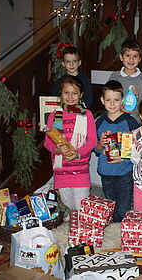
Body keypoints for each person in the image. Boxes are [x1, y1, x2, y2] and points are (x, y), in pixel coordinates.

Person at [44, 75, 97, 210]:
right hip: (61, 171)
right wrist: (57, 150)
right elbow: (47, 143)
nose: (70, 96)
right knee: (68, 206)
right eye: (66, 92)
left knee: (81, 206)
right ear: (61, 94)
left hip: (80, 170)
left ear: (81, 95)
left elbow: (92, 141)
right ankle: (72, 228)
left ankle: (81, 229)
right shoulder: (53, 116)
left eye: (74, 93)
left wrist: (77, 153)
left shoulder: (87, 115)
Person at [94, 80, 140, 222]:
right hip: (106, 173)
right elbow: (95, 148)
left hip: (124, 173)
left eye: (116, 100)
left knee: (124, 208)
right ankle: (113, 235)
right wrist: (100, 145)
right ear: (102, 100)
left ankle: (124, 234)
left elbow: (137, 147)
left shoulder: (130, 122)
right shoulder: (99, 122)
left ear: (122, 101)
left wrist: (125, 157)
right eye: (108, 100)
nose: (112, 104)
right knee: (110, 206)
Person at [108, 39, 142, 122]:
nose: (131, 60)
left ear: (139, 59)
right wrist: (118, 106)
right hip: (116, 120)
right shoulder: (115, 76)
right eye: (127, 56)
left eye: (135, 56)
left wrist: (140, 97)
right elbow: (108, 96)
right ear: (121, 57)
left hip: (137, 122)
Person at [52, 45, 93, 109]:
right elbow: (55, 101)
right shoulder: (58, 82)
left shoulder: (85, 80)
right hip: (63, 114)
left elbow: (88, 101)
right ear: (63, 63)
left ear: (79, 62)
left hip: (81, 114)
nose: (71, 64)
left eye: (74, 61)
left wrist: (75, 110)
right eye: (68, 61)